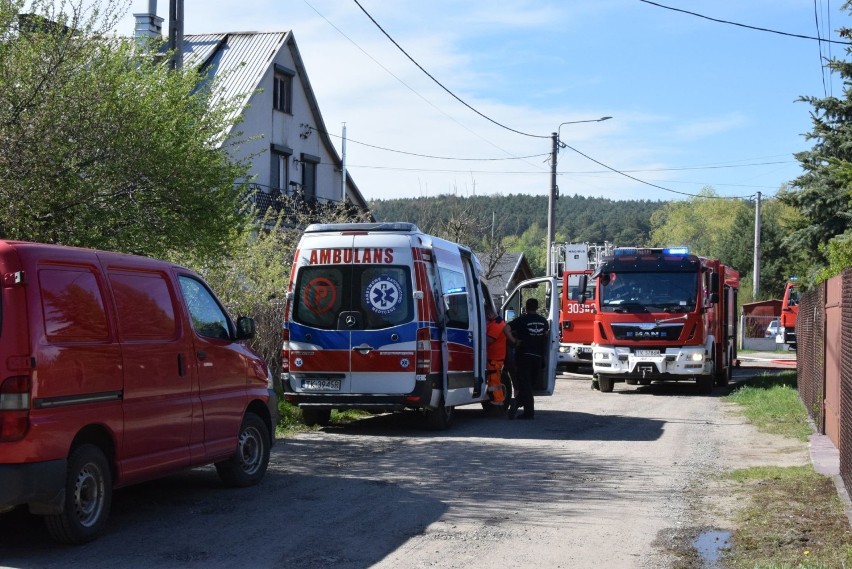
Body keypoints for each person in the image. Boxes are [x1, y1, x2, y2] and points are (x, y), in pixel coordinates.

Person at [508, 298, 549, 420]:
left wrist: (514, 340)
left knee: (525, 384)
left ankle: (526, 411)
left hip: (524, 355)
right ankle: (520, 405)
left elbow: (506, 328)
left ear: (526, 307)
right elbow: (546, 335)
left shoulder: (521, 320)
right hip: (538, 356)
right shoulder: (543, 321)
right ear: (537, 307)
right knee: (530, 384)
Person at [485, 306, 517, 408]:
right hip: (493, 356)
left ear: (490, 314)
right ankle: (496, 400)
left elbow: (490, 339)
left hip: (495, 357)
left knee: (494, 379)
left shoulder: (498, 324)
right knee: (493, 378)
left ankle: (498, 400)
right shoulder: (494, 323)